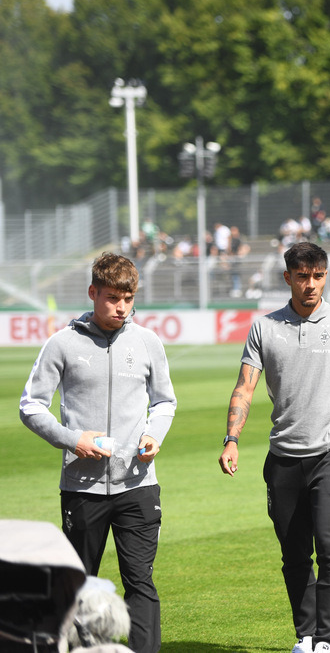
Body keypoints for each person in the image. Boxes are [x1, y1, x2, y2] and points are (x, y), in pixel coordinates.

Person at [218, 241, 330, 653]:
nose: (310, 285)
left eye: (318, 276)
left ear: (325, 276)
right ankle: (305, 636)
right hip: (283, 458)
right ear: (287, 277)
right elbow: (245, 387)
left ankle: (326, 642)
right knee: (294, 555)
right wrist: (231, 439)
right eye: (302, 276)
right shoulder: (264, 327)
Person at [19, 252, 176, 653]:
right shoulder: (62, 344)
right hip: (82, 488)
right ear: (93, 292)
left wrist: (154, 434)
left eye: (128, 298)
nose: (121, 307)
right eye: (111, 298)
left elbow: (164, 402)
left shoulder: (147, 342)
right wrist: (73, 440)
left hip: (139, 486)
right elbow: (31, 405)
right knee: (78, 582)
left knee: (140, 581)